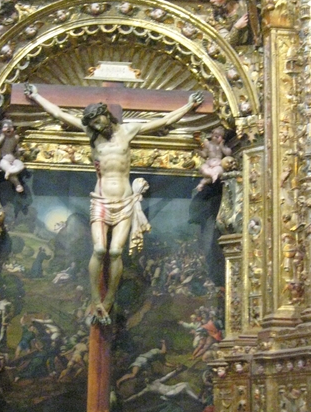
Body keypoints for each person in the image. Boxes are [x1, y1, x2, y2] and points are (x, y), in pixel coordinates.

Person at [24, 84, 203, 323]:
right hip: (101, 200)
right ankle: (95, 298)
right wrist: (36, 96)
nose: (98, 127)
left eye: (99, 121)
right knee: (99, 249)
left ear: (106, 115)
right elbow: (59, 114)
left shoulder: (127, 131)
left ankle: (108, 300)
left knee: (116, 251)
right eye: (93, 124)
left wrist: (189, 106)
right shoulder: (92, 135)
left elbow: (164, 121)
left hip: (124, 201)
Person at [196, 126, 233, 191]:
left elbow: (228, 153)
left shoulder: (221, 145)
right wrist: (199, 152)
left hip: (218, 163)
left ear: (222, 138)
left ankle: (202, 184)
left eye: (219, 135)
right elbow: (205, 154)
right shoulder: (208, 145)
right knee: (202, 168)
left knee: (219, 170)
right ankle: (211, 175)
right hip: (209, 163)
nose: (216, 136)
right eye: (215, 134)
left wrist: (222, 147)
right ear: (211, 135)